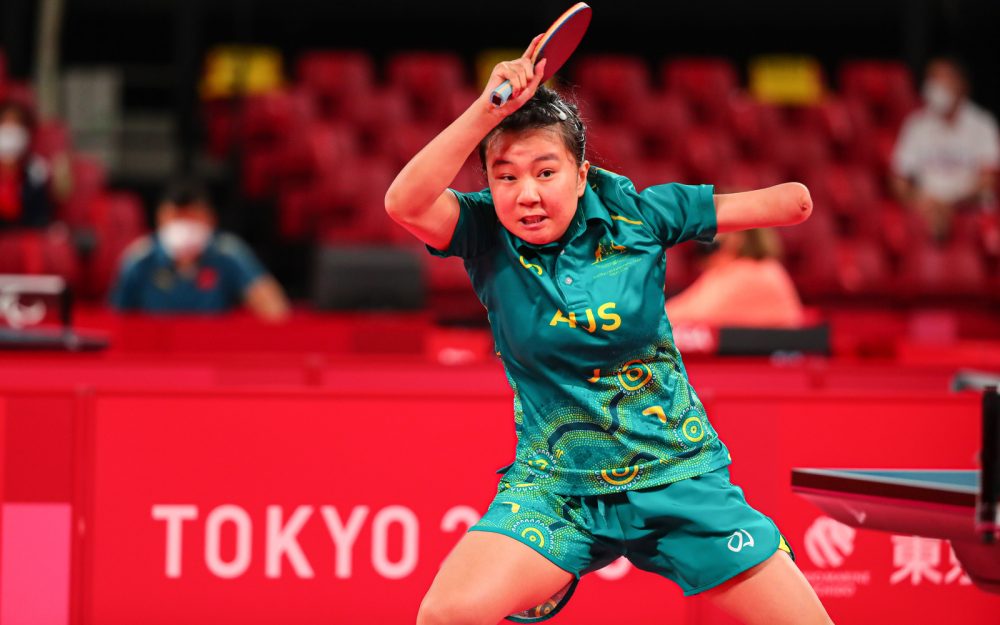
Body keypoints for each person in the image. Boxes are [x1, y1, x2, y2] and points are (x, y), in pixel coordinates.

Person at [385, 38, 830, 625]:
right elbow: (404, 201)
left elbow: (794, 204)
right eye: (506, 175)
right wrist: (487, 111)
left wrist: (773, 203)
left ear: (581, 174)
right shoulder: (484, 234)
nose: (527, 194)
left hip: (680, 477)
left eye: (546, 172)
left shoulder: (639, 217)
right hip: (556, 489)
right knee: (444, 615)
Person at [109, 180, 290, 321]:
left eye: (193, 216)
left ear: (210, 219)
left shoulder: (228, 253)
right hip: (156, 352)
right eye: (177, 217)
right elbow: (116, 317)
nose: (185, 225)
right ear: (160, 219)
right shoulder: (140, 257)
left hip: (212, 349)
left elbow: (274, 309)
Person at [890, 56, 1000, 242]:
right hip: (925, 210)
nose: (933, 85)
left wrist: (950, 202)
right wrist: (918, 200)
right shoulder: (916, 125)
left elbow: (989, 180)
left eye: (941, 78)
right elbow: (898, 180)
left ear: (961, 84)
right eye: (930, 78)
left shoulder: (983, 124)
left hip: (971, 213)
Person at [665, 228, 805, 328]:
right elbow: (677, 310)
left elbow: (697, 315)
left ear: (735, 238)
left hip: (781, 362)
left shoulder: (757, 271)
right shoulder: (720, 273)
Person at [0, 98, 54, 229]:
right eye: (5, 123)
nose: (10, 130)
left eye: (16, 124)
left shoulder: (37, 170)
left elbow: (41, 217)